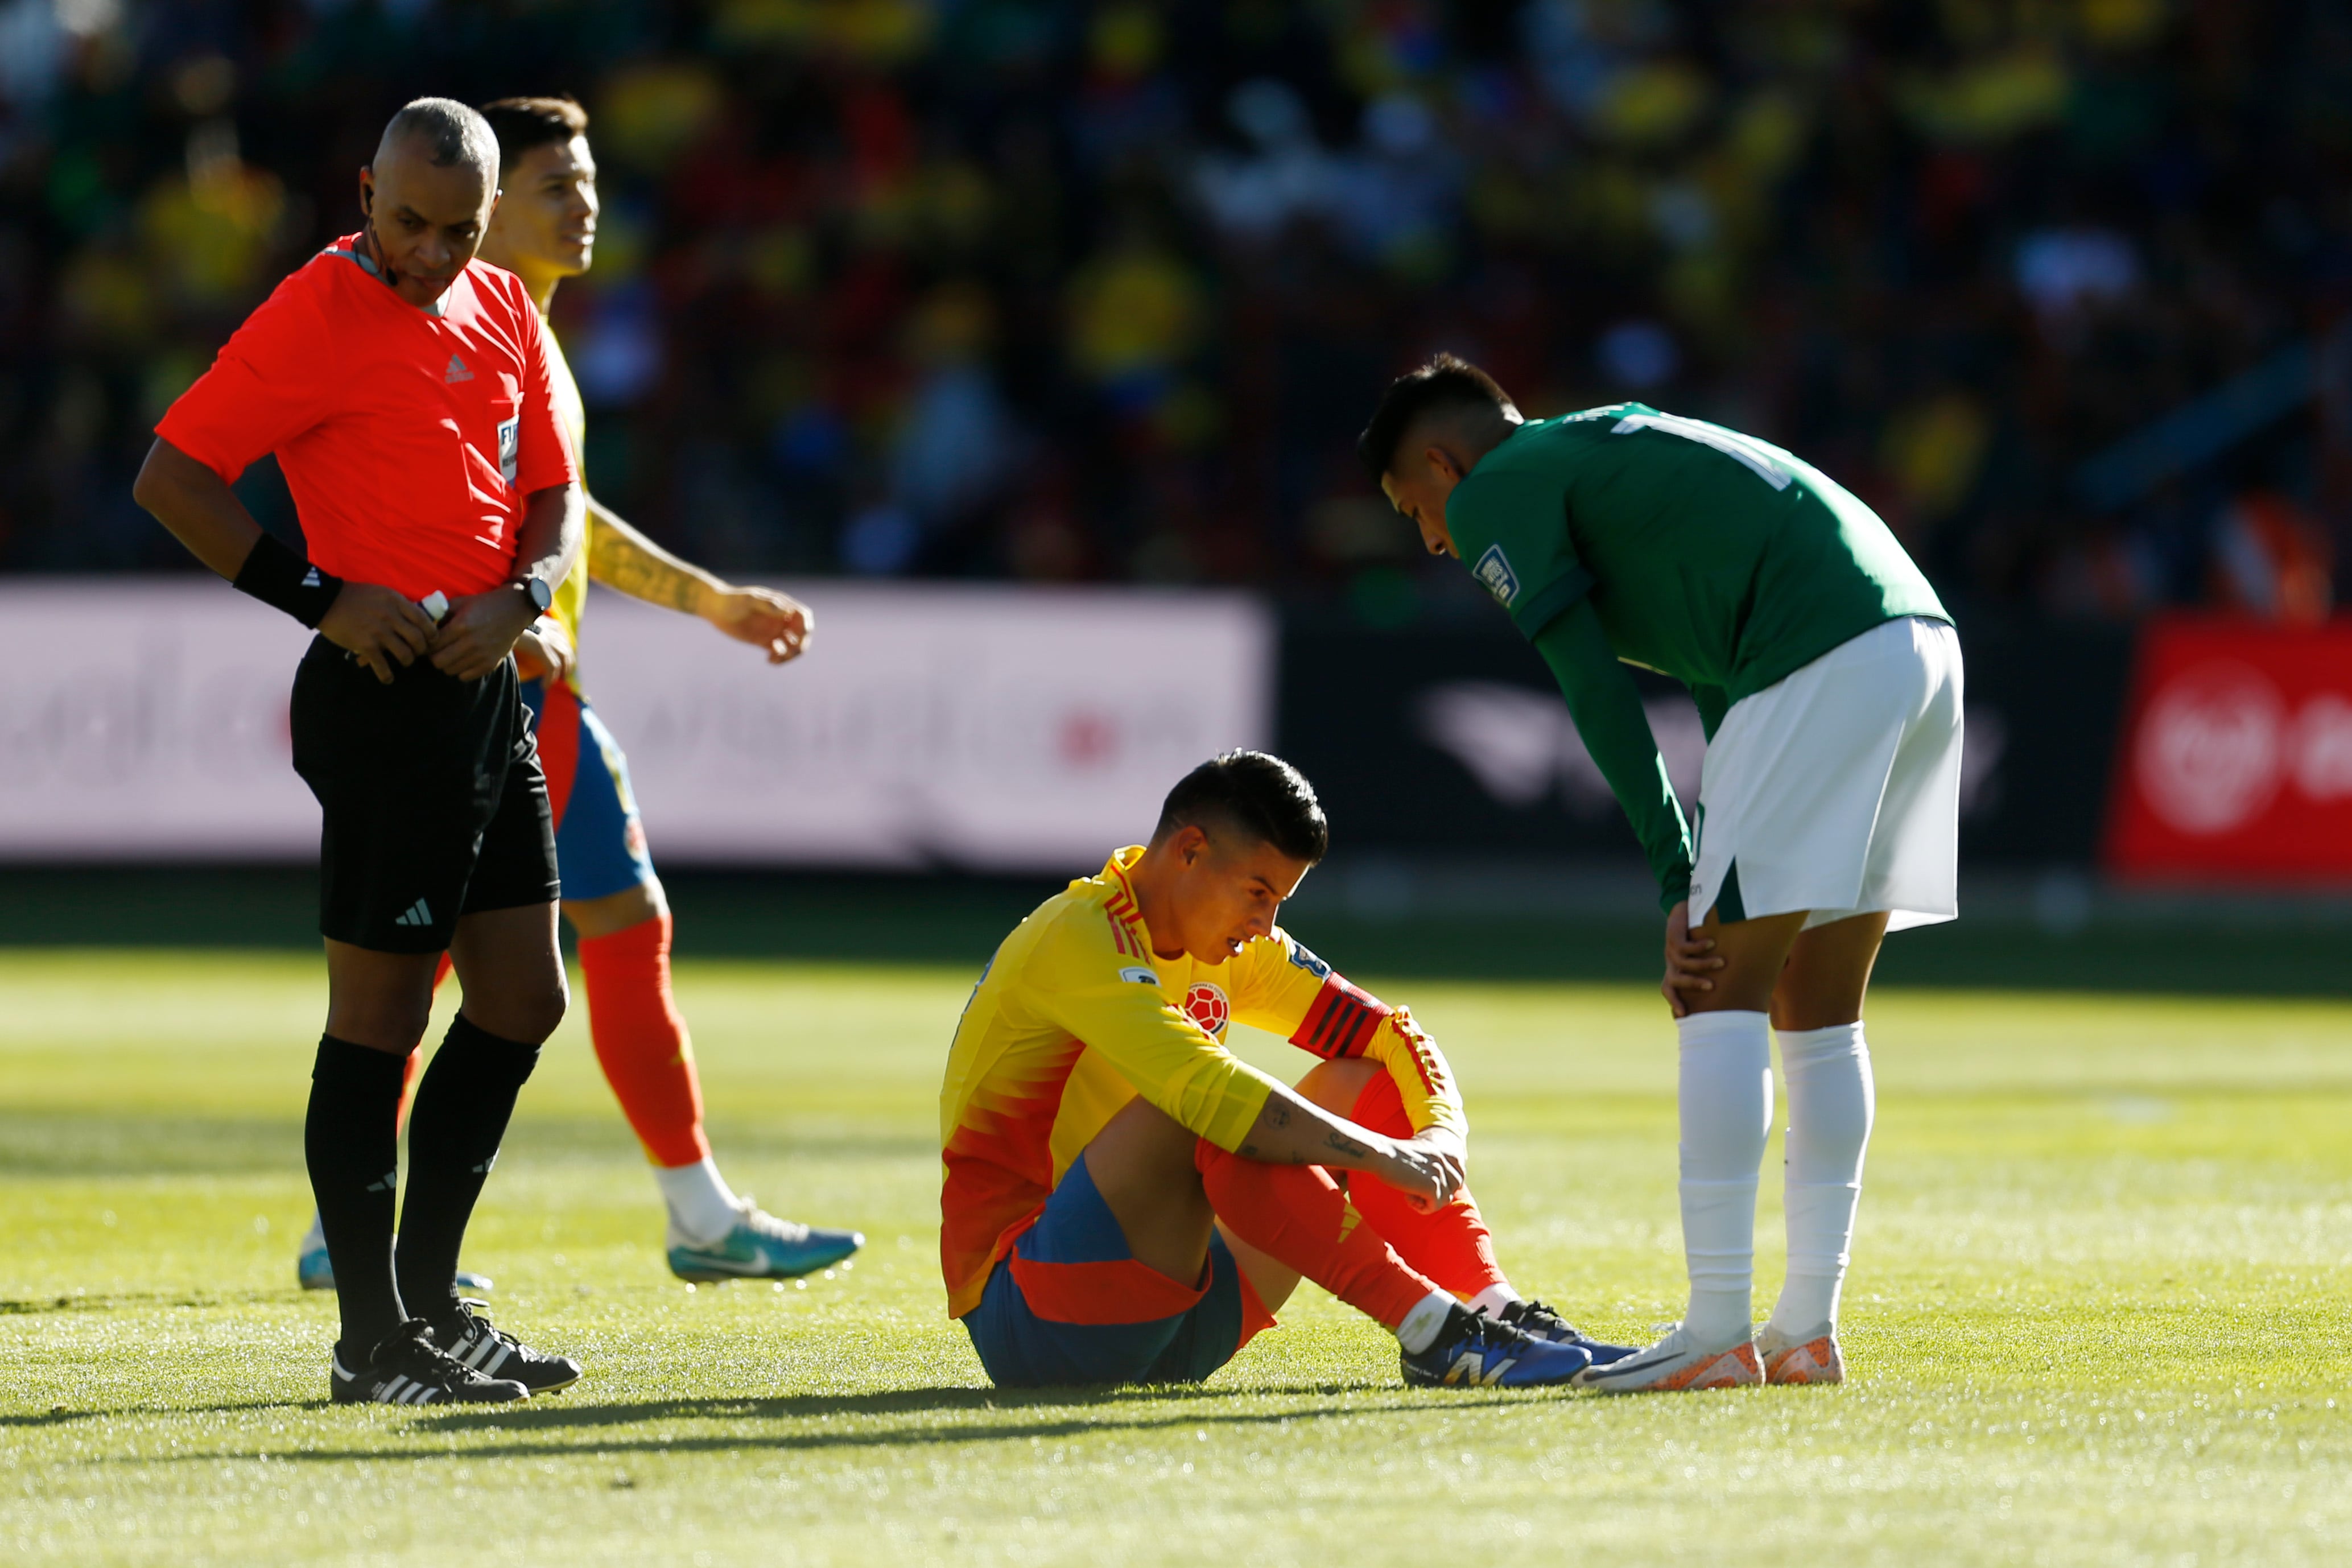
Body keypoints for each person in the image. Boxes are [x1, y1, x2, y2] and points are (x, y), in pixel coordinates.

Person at [287, 93, 861, 1292]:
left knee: (452, 962)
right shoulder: (486, 330)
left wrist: (702, 601)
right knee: (587, 939)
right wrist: (531, 617)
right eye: (558, 186)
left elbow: (564, 515)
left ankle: (346, 1227)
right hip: (515, 694)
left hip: (528, 684)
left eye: (589, 180)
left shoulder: (523, 331)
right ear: (491, 213)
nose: (584, 203)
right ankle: (693, 1214)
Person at [1359, 356, 1962, 1393]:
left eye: (1418, 507)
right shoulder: (1602, 446)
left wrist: (1671, 874)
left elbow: (1589, 689)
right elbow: (1708, 671)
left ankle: (1716, 1329)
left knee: (1713, 988)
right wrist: (1701, 858)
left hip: (1813, 647)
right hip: (1915, 641)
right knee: (1817, 1005)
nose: (1431, 538)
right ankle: (1803, 1328)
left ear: (1442, 461)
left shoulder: (1502, 483)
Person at [135, 99, 590, 1407]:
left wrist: (526, 592)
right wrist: (322, 594)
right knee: (379, 1015)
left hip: (484, 692)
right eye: (410, 222)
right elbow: (173, 476)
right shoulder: (313, 313)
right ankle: (369, 1338)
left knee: (521, 998)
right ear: (365, 193)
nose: (436, 251)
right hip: (379, 697)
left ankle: (435, 1303)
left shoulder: (502, 305)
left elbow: (551, 494)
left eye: (458, 228)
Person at [942, 749, 1631, 1389]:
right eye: (1259, 891)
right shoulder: (1076, 935)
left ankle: (1496, 1312)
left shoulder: (1236, 943)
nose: (1268, 924)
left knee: (1360, 1077)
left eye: (1280, 901)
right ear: (1190, 851)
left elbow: (1389, 1032)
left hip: (1185, 1318)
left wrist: (1439, 1138)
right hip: (1035, 1322)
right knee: (1206, 1107)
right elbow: (1208, 1092)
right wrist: (1381, 1155)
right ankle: (1434, 1330)